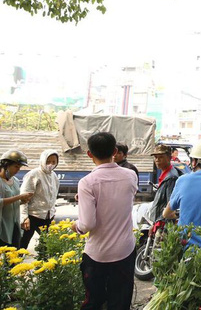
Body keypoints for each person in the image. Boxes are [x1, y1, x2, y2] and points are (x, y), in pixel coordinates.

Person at [72, 132, 137, 310]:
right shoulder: (131, 175)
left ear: (89, 154)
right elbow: (121, 199)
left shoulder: (87, 182)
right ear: (115, 151)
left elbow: (86, 225)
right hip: (125, 251)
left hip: (97, 255)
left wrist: (75, 226)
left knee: (94, 301)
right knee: (120, 302)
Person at [19, 149, 60, 249]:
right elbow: (24, 197)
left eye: (54, 162)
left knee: (47, 247)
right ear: (42, 160)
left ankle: (43, 264)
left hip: (47, 217)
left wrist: (52, 211)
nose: (51, 164)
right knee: (21, 246)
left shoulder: (54, 175)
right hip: (32, 216)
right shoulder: (33, 174)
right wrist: (24, 217)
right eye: (48, 161)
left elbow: (53, 196)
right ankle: (12, 264)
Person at [0, 150, 33, 248]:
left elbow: (11, 202)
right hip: (2, 227)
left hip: (13, 226)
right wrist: (19, 197)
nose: (18, 170)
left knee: (13, 257)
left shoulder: (15, 181)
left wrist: (21, 201)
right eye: (16, 167)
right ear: (6, 165)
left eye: (19, 167)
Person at [147, 144, 182, 222]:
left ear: (169, 158)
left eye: (161, 157)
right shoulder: (165, 174)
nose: (157, 160)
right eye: (155, 157)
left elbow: (171, 206)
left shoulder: (171, 177)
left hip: (164, 225)